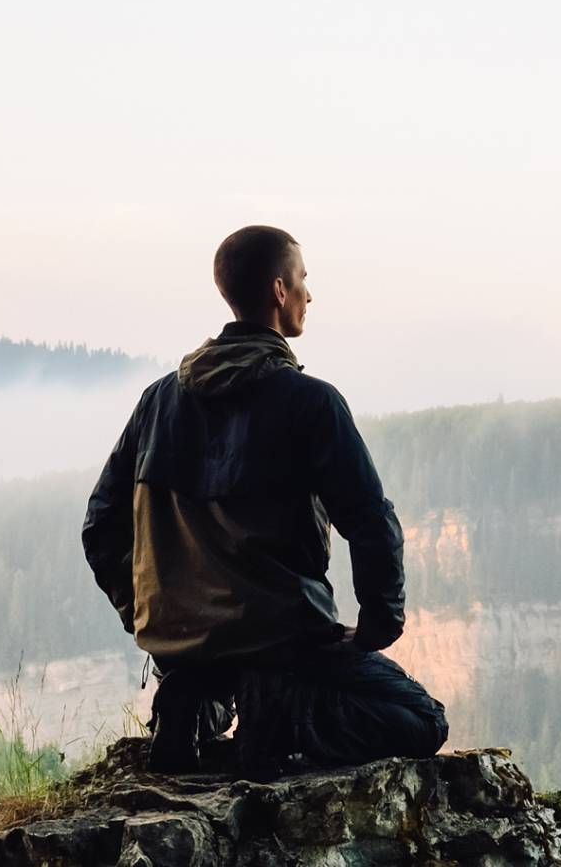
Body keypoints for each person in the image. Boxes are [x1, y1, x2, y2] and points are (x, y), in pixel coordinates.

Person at [82, 225, 447, 775]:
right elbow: (371, 522)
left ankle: (192, 703)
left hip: (186, 647)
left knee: (211, 674)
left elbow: (101, 523)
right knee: (422, 721)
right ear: (280, 291)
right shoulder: (310, 402)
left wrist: (147, 618)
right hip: (282, 640)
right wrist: (378, 627)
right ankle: (281, 716)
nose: (308, 294)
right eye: (302, 280)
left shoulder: (158, 401)